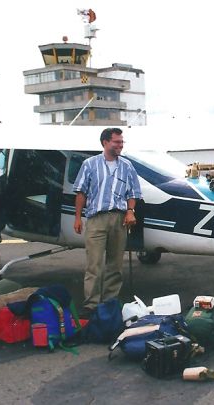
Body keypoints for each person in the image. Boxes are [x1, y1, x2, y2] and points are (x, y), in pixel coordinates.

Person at [73, 127, 142, 316]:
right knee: (94, 264)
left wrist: (130, 211)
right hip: (96, 218)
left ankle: (110, 302)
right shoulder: (89, 164)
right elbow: (81, 192)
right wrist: (78, 218)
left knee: (115, 264)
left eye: (122, 142)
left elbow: (133, 192)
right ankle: (91, 304)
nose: (120, 145)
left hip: (119, 219)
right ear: (105, 142)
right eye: (116, 142)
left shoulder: (127, 166)